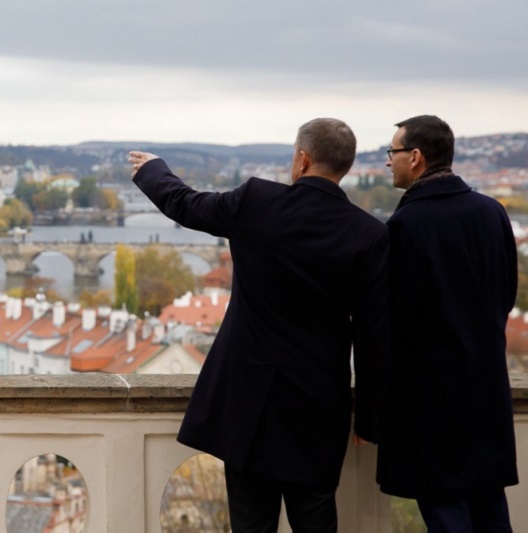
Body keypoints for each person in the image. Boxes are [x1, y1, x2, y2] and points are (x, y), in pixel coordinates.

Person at [129, 117, 389, 532]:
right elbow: (374, 334)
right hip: (319, 406)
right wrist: (370, 417)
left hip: (249, 401)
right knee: (317, 520)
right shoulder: (370, 234)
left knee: (252, 523)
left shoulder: (257, 202)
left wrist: (153, 168)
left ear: (302, 159)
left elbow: (186, 204)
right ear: (346, 166)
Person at [376, 115, 518, 531]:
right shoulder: (492, 213)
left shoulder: (407, 224)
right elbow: (505, 295)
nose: (388, 162)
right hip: (487, 390)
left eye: (393, 152)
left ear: (415, 157)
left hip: (431, 400)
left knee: (445, 512)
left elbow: (395, 317)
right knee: (490, 510)